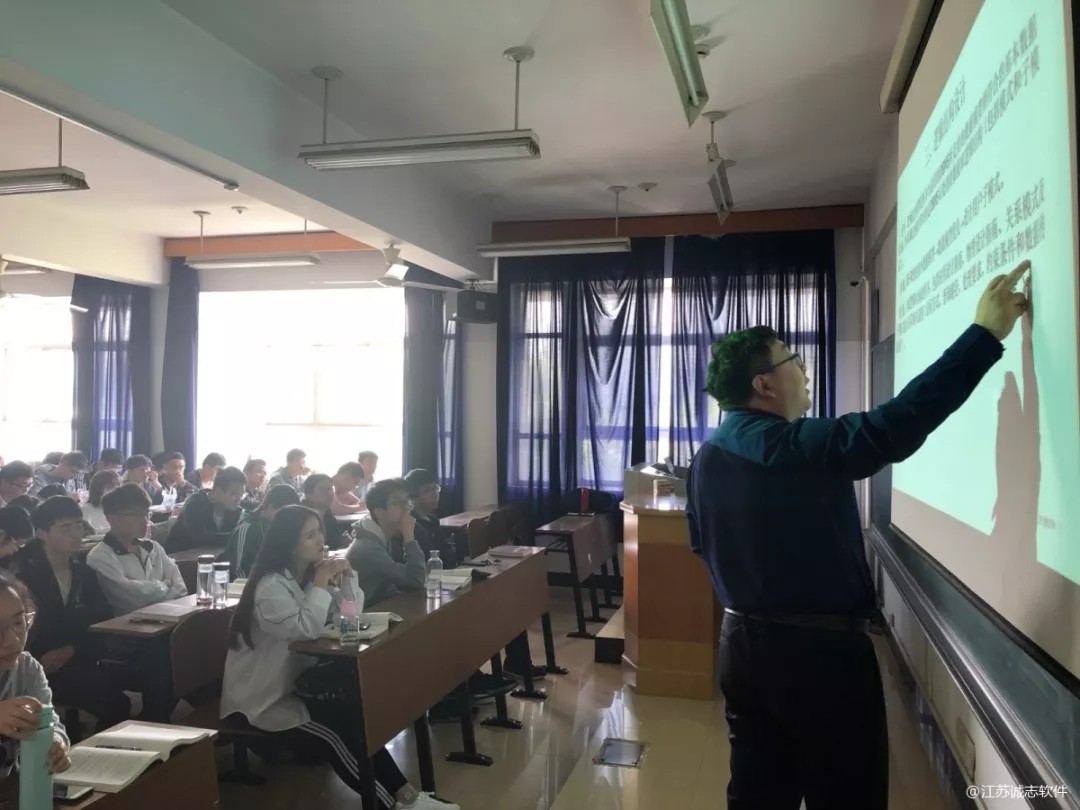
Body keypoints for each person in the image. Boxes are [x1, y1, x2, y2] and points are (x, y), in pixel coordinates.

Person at [686, 261, 1031, 810]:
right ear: (764, 384)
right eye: (793, 360)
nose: (805, 371)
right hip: (819, 661)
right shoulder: (791, 445)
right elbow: (894, 426)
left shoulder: (705, 458)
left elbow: (701, 546)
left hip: (741, 648)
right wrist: (983, 336)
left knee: (757, 794)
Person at [221, 505, 454, 810]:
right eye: (310, 535)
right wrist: (321, 583)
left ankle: (407, 795)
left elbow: (349, 615)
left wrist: (347, 578)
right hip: (263, 700)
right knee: (333, 736)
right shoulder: (270, 586)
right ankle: (391, 804)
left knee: (358, 724)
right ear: (288, 544)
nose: (321, 540)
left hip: (299, 687)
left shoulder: (305, 576)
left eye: (319, 531)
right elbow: (306, 628)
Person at [16, 497, 130, 732]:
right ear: (42, 534)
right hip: (37, 664)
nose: (76, 534)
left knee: (147, 677)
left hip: (79, 656)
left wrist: (72, 649)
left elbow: (101, 619)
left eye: (78, 525)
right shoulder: (24, 575)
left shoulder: (84, 573)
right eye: (66, 528)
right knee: (115, 703)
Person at [0, 570, 72, 777]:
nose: (12, 640)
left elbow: (49, 722)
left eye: (18, 623)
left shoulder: (27, 669)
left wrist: (56, 742)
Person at [86, 484, 188, 614]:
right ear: (112, 518)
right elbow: (132, 600)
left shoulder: (153, 547)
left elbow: (181, 589)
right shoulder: (100, 556)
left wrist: (147, 588)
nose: (145, 521)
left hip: (171, 616)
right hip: (127, 624)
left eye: (146, 514)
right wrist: (165, 584)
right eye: (137, 515)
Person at [346, 479, 425, 607]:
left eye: (406, 501)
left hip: (382, 606)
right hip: (365, 613)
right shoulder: (369, 549)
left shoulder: (383, 536)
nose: (406, 508)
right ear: (378, 512)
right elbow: (416, 580)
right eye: (398, 503)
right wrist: (409, 538)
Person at [219, 485, 300, 579]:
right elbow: (241, 571)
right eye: (284, 514)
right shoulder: (248, 528)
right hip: (241, 584)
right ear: (270, 507)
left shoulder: (282, 528)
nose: (287, 519)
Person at [166, 466, 246, 553]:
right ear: (218, 491)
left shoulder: (236, 510)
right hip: (179, 555)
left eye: (241, 495)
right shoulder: (196, 503)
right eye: (233, 494)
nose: (238, 500)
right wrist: (235, 537)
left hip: (211, 555)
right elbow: (200, 538)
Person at [402, 469, 457, 568]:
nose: (435, 494)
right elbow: (425, 558)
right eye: (427, 491)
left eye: (435, 488)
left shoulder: (433, 521)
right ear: (413, 497)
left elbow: (449, 555)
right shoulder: (411, 524)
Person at [300, 474, 345, 551]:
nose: (330, 493)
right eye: (323, 489)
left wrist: (343, 541)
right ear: (309, 495)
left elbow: (334, 543)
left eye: (331, 488)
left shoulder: (327, 512)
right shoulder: (302, 516)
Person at [82, 470, 122, 535]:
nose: (114, 493)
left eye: (116, 489)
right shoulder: (85, 509)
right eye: (109, 488)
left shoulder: (118, 512)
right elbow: (87, 534)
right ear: (98, 489)